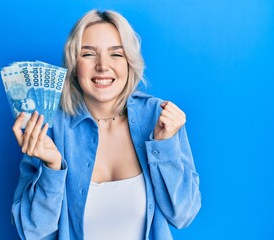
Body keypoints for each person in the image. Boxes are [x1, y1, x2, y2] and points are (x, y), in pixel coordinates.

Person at [11, 9, 201, 240]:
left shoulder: (159, 117)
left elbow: (183, 214)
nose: (102, 65)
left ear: (130, 63)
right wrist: (52, 166)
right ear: (73, 65)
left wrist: (164, 146)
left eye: (116, 54)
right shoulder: (50, 126)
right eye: (89, 54)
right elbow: (31, 231)